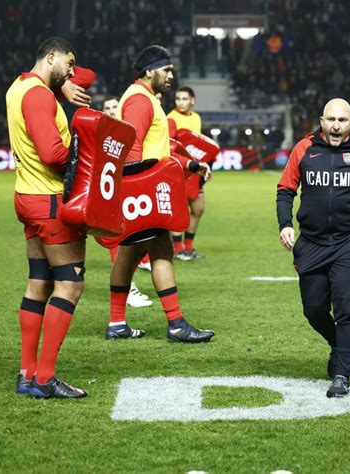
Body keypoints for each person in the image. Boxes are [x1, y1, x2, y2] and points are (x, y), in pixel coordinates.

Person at [276, 98, 350, 398]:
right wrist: (285, 224)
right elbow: (286, 190)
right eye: (331, 120)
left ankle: (341, 375)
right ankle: (338, 345)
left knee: (346, 310)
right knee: (313, 310)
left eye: (342, 120)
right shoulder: (304, 149)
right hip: (311, 243)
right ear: (322, 121)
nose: (336, 125)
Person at [106, 45, 214, 343]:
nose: (171, 75)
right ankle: (176, 323)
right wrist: (135, 194)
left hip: (141, 191)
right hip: (144, 191)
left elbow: (159, 151)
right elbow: (132, 148)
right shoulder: (140, 100)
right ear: (150, 70)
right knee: (163, 251)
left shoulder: (143, 98)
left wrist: (190, 164)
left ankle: (117, 323)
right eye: (166, 70)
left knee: (127, 256)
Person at [6, 37, 93, 399]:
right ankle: (44, 376)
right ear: (51, 57)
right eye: (69, 64)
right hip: (50, 200)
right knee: (70, 284)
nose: (73, 72)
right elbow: (53, 153)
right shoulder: (40, 95)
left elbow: (82, 76)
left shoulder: (19, 87)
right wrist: (87, 146)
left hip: (27, 195)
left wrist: (67, 88)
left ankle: (27, 373)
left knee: (39, 282)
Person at [101, 96, 152, 308]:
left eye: (115, 107)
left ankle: (129, 284)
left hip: (122, 189)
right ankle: (127, 291)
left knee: (128, 237)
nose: (112, 110)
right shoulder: (103, 133)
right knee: (117, 239)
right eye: (108, 108)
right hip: (107, 192)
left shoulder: (125, 133)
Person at [167, 86, 205, 260]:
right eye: (178, 99)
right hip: (179, 171)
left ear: (192, 100)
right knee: (178, 211)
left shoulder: (196, 118)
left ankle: (188, 248)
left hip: (195, 170)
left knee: (198, 208)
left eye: (184, 99)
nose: (180, 102)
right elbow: (170, 147)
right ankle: (178, 250)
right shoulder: (171, 119)